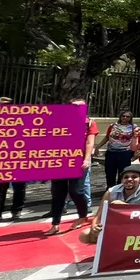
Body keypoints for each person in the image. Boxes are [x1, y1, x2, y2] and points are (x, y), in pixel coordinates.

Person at [47, 98, 96, 235]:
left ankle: (83, 215)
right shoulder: (59, 120)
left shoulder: (90, 123)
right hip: (60, 162)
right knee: (58, 194)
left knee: (76, 191)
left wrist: (86, 160)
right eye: (73, 106)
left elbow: (89, 143)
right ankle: (55, 224)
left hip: (79, 162)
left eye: (80, 106)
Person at [78, 164, 140, 245]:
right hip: (118, 226)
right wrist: (94, 228)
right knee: (84, 235)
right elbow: (98, 216)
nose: (129, 179)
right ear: (122, 180)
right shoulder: (111, 191)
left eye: (134, 177)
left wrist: (125, 208)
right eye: (126, 177)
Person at [95, 110, 140, 188]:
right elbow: (107, 137)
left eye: (127, 116)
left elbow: (137, 140)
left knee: (123, 172)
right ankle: (110, 189)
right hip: (111, 152)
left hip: (125, 152)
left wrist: (136, 151)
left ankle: (120, 188)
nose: (125, 118)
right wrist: (98, 146)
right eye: (123, 116)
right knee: (109, 172)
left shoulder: (134, 127)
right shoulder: (113, 126)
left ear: (130, 118)